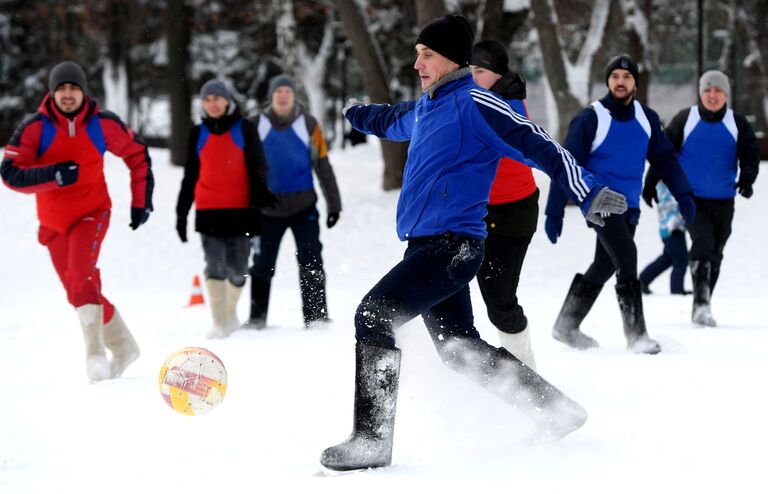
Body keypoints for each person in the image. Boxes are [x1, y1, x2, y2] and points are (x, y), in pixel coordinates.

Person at [320, 14, 629, 472]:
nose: (417, 64)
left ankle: (372, 440)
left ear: (452, 60)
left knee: (374, 315)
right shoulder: (426, 108)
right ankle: (556, 410)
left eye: (426, 55)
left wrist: (585, 190)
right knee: (457, 348)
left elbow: (538, 142)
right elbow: (388, 119)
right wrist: (352, 112)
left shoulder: (476, 104)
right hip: (426, 247)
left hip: (453, 247)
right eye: (417, 54)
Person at [1, 61, 153, 381]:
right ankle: (124, 347)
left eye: (74, 88)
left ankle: (95, 354)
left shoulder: (102, 124)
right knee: (76, 290)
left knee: (83, 275)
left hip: (92, 213)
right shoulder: (34, 128)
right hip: (54, 224)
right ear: (52, 93)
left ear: (84, 92)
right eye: (62, 89)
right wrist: (51, 175)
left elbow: (137, 154)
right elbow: (10, 173)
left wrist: (142, 201)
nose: (68, 94)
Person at [544, 54, 696, 355]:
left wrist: (684, 194)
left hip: (629, 205)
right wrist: (554, 209)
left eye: (626, 77)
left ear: (635, 83)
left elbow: (664, 159)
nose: (621, 82)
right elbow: (565, 163)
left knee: (606, 263)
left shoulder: (647, 119)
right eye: (615, 76)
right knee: (627, 256)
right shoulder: (591, 118)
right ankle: (636, 335)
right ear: (608, 81)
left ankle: (566, 325)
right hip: (598, 200)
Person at [650, 70, 760, 326]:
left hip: (724, 200)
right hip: (691, 199)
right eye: (708, 90)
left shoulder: (738, 123)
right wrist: (650, 182)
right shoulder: (685, 119)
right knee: (702, 243)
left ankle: (704, 300)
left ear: (726, 95)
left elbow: (750, 155)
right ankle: (701, 306)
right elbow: (663, 152)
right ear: (701, 93)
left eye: (718, 90)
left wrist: (747, 179)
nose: (712, 95)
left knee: (716, 251)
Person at [176, 79, 276, 338]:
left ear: (227, 101)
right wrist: (181, 213)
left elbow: (258, 166)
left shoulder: (245, 129)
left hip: (242, 210)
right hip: (209, 209)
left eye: (217, 98)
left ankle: (230, 311)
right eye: (207, 100)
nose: (212, 104)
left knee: (239, 268)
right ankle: (220, 321)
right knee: (215, 264)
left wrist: (261, 195)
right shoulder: (197, 132)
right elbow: (189, 175)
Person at [244, 74, 342, 329]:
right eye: (279, 92)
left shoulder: (309, 124)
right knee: (262, 264)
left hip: (303, 207)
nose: (283, 96)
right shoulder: (255, 125)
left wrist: (334, 204)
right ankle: (256, 318)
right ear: (272, 96)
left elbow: (322, 164)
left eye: (287, 91)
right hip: (267, 210)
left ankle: (317, 318)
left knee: (311, 262)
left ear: (294, 95)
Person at [469, 40, 539, 369]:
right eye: (468, 70)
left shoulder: (503, 105)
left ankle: (526, 373)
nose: (471, 77)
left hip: (512, 213)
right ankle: (461, 366)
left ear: (497, 74)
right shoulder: (480, 99)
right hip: (478, 211)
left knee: (500, 302)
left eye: (479, 71)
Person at [639, 182, 690, 295]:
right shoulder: (669, 185)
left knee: (668, 258)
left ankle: (642, 280)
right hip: (673, 228)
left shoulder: (665, 185)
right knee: (681, 259)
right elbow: (669, 205)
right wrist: (674, 224)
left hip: (669, 227)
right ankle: (677, 290)